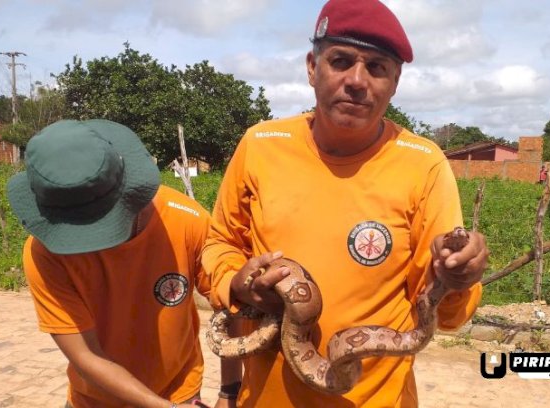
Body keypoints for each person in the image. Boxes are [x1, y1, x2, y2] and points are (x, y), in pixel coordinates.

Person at [203, 0, 489, 406]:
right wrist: (237, 283)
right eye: (341, 61)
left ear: (395, 81)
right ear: (311, 67)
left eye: (377, 67)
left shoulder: (422, 164)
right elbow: (219, 244)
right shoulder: (260, 146)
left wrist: (459, 279)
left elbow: (447, 318)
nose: (357, 80)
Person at [7, 119, 241, 408]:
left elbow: (229, 306)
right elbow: (85, 357)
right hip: (92, 400)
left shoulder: (185, 222)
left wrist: (229, 392)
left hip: (178, 391)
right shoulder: (45, 253)